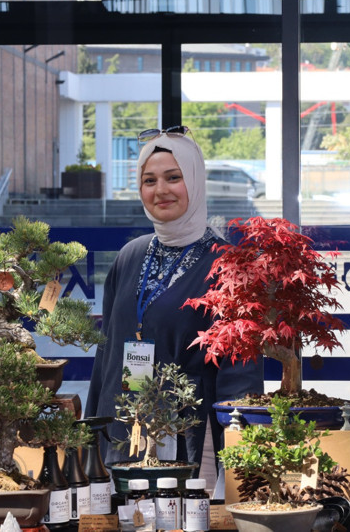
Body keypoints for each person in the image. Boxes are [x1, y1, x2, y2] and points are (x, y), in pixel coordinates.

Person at [86, 126, 263, 469]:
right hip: (123, 430)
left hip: (191, 437)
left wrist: (239, 456)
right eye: (149, 181)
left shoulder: (228, 265)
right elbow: (106, 355)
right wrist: (92, 433)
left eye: (173, 177)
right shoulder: (129, 256)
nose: (160, 190)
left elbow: (241, 374)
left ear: (194, 182)